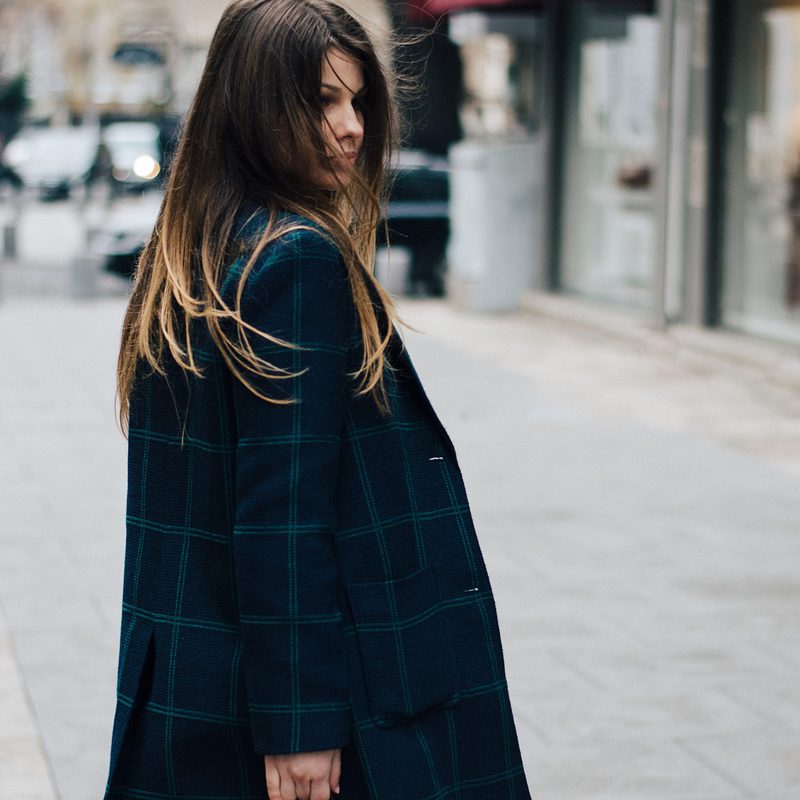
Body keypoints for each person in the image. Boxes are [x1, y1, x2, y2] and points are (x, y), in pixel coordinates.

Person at [104, 1, 533, 799]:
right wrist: (300, 724)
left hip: (198, 673)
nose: (352, 127)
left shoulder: (195, 253)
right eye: (323, 101)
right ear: (255, 108)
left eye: (357, 101)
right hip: (331, 693)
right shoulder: (295, 260)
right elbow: (282, 512)